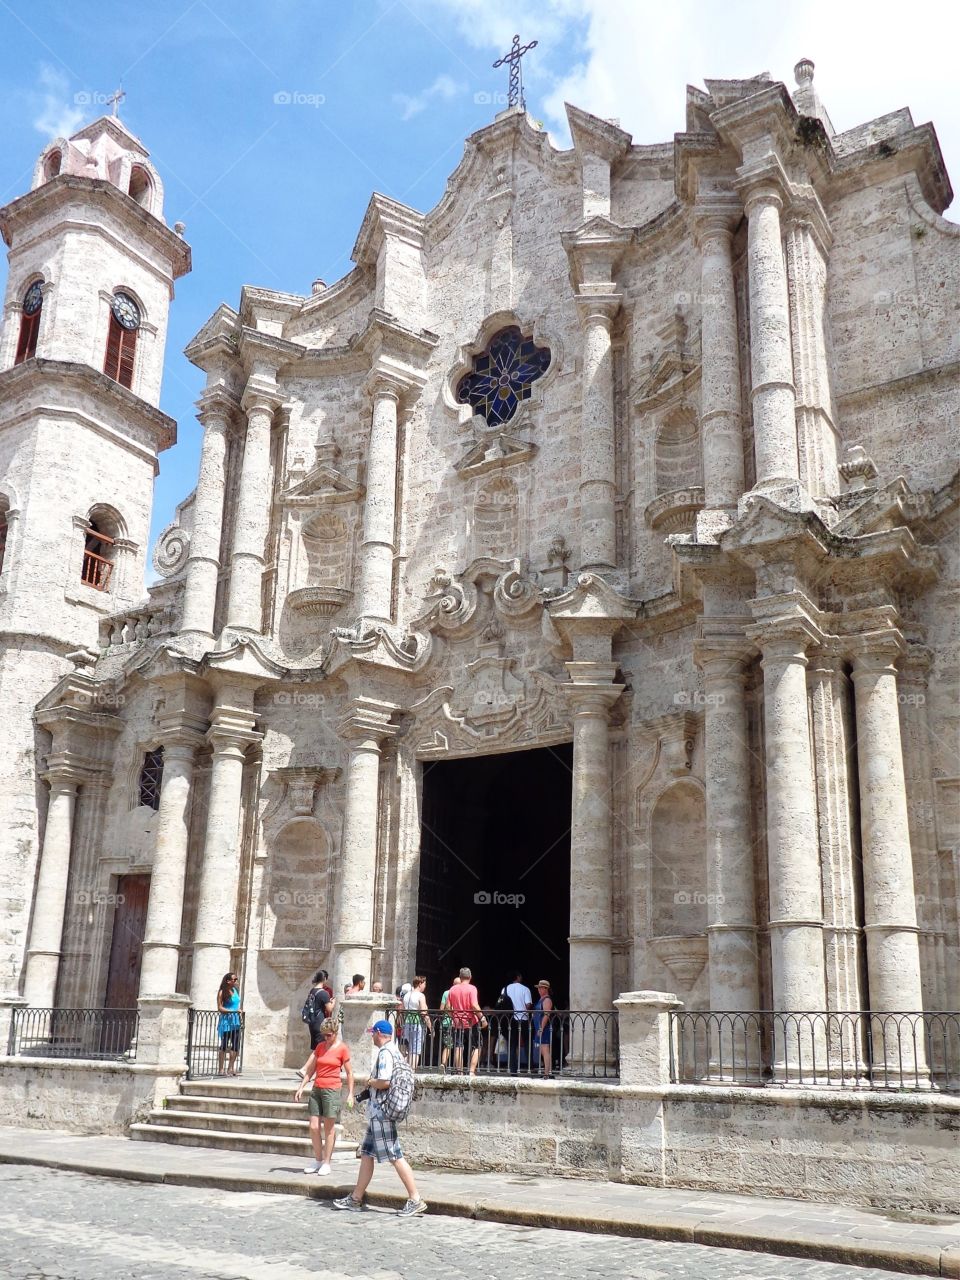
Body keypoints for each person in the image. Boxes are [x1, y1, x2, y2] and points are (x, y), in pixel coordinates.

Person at [333, 1020, 427, 1217]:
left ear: (378, 1033)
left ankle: (415, 1198)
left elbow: (384, 1082)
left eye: (372, 1033)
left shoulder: (385, 1053)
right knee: (367, 1153)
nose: (371, 1036)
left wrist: (369, 1081)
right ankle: (356, 1198)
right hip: (379, 1111)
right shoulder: (395, 1051)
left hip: (381, 1111)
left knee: (394, 1155)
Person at [295, 1017, 354, 1174]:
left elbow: (349, 1073)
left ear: (335, 1033)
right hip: (317, 1088)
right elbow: (311, 1069)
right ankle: (318, 1159)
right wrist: (301, 1087)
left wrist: (350, 1094)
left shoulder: (342, 1049)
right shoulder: (320, 1047)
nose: (326, 1038)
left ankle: (327, 1162)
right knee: (313, 1126)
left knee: (329, 1128)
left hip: (332, 1090)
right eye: (324, 1035)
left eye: (328, 1035)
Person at [448, 967, 487, 1075]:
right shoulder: (472, 988)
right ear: (470, 977)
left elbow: (447, 1007)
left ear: (460, 977)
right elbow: (474, 1005)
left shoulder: (453, 989)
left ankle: (459, 1072)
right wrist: (482, 1018)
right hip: (471, 1021)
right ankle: (471, 1071)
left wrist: (453, 1017)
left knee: (458, 1046)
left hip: (457, 1022)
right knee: (478, 1045)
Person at [501, 971, 533, 1075]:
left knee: (512, 1044)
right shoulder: (525, 989)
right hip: (523, 1018)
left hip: (510, 1020)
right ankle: (529, 1067)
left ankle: (513, 1069)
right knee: (528, 1042)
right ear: (518, 977)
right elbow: (528, 1005)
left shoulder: (504, 989)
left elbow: (502, 1003)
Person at [401, 976, 432, 1071]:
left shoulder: (406, 995)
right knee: (416, 1050)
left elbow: (402, 1010)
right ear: (420, 983)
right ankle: (412, 1071)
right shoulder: (420, 996)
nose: (425, 986)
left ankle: (407, 1070)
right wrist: (431, 1027)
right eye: (424, 984)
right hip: (417, 1023)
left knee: (409, 1049)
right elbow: (424, 1012)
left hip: (407, 1023)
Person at [216, 973, 242, 1076]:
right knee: (224, 1045)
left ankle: (231, 1068)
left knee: (235, 1045)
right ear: (228, 981)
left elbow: (236, 1004)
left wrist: (237, 1011)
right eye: (234, 979)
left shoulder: (236, 991)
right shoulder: (222, 992)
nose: (236, 981)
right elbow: (220, 1008)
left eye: (236, 979)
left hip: (235, 1022)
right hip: (226, 1021)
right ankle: (221, 1069)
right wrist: (232, 1011)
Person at [533, 979, 555, 1078]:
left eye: (541, 988)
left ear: (545, 989)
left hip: (544, 1028)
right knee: (543, 1050)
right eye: (538, 988)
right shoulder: (541, 999)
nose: (539, 990)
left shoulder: (547, 1000)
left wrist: (541, 1028)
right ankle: (547, 1072)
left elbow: (546, 1014)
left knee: (545, 1050)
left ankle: (547, 1073)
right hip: (539, 1027)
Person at [438, 975, 460, 1073]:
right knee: (458, 1046)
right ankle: (457, 1068)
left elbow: (441, 1009)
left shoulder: (446, 993)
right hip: (459, 1023)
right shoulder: (461, 993)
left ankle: (443, 1064)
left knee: (447, 1046)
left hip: (446, 1022)